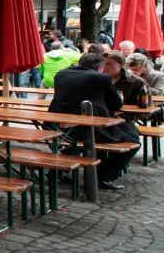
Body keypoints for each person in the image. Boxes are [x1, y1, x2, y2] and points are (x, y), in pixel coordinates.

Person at [50, 52, 140, 189]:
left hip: (60, 128)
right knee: (133, 142)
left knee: (112, 135)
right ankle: (104, 177)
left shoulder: (62, 73)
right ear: (99, 67)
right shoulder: (101, 78)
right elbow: (116, 105)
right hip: (88, 128)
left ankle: (62, 171)